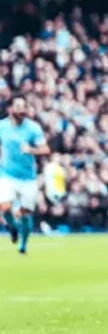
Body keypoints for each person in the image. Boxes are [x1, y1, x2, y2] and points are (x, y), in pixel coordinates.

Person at [0, 96, 51, 255]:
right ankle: (13, 228)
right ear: (10, 109)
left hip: (28, 178)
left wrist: (31, 150)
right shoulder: (2, 126)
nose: (22, 110)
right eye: (18, 106)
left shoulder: (33, 128)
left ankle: (23, 244)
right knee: (5, 207)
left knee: (27, 215)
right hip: (7, 175)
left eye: (24, 106)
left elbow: (46, 149)